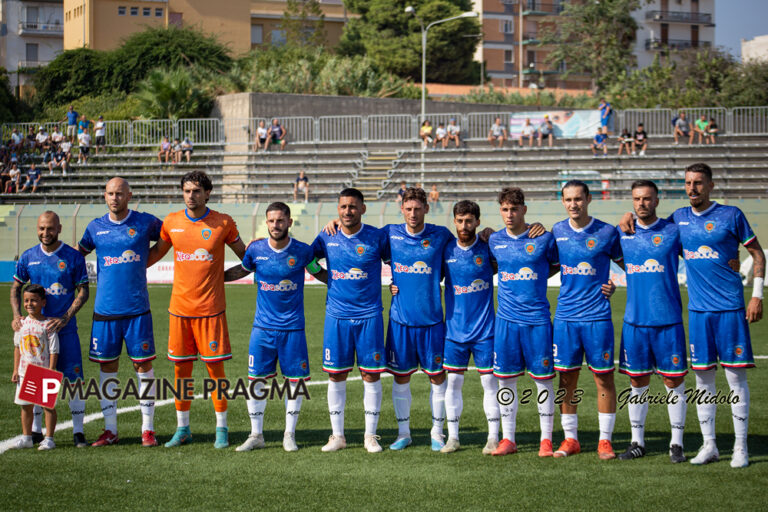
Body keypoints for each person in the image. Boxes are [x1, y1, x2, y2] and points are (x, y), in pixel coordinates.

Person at [619, 163, 765, 468]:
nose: (692, 188)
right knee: (703, 381)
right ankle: (709, 444)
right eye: (687, 183)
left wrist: (756, 294)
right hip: (698, 312)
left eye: (698, 183)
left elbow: (757, 254)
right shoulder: (677, 222)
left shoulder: (731, 215)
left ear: (710, 185)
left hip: (730, 309)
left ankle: (740, 447)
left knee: (735, 378)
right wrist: (628, 217)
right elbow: (649, 228)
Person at [147, 170, 246, 449]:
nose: (192, 196)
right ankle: (183, 428)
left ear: (208, 193)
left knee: (216, 371)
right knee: (181, 372)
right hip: (179, 310)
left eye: (197, 191)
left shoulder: (222, 223)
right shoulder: (172, 222)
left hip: (211, 311)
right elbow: (154, 255)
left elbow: (247, 257)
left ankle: (222, 429)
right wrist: (124, 263)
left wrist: (224, 277)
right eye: (187, 191)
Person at [223, 202, 326, 452]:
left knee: (295, 382)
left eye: (280, 220)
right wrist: (215, 276)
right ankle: (256, 434)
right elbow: (242, 270)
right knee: (256, 380)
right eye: (271, 221)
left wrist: (344, 284)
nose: (275, 225)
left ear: (289, 222)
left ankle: (289, 434)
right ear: (266, 223)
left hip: (293, 329)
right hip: (262, 328)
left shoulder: (302, 251)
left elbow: (318, 271)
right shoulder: (255, 250)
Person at [77, 178, 163, 447]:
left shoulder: (145, 222)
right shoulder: (95, 227)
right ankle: (110, 429)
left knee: (143, 366)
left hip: (137, 310)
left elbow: (168, 239)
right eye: (110, 194)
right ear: (105, 196)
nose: (114, 198)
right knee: (107, 367)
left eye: (120, 194)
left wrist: (147, 261)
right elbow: (78, 254)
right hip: (105, 311)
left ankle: (147, 430)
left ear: (129, 195)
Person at [371, 188, 455, 452]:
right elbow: (359, 237)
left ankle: (437, 432)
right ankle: (404, 433)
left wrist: (486, 233)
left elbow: (466, 245)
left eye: (418, 208)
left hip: (432, 322)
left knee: (438, 377)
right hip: (400, 322)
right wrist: (336, 223)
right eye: (408, 208)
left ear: (426, 209)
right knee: (400, 378)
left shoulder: (441, 236)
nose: (413, 213)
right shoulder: (389, 234)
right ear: (402, 209)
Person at [311, 188, 390, 452]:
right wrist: (325, 277)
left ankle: (370, 435)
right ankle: (338, 436)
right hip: (337, 316)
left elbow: (397, 261)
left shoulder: (377, 237)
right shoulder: (327, 235)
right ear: (338, 209)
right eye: (343, 207)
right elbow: (307, 260)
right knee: (336, 376)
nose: (347, 211)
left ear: (363, 209)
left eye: (353, 207)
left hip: (369, 316)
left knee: (371, 376)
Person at [615, 180, 688, 463]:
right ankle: (637, 441)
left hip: (668, 321)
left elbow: (697, 254)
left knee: (674, 381)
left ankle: (676, 443)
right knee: (637, 381)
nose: (641, 203)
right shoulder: (622, 233)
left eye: (647, 199)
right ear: (631, 202)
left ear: (657, 201)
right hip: (635, 322)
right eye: (636, 199)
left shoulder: (673, 231)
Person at [551, 180, 622, 460]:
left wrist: (615, 285)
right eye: (568, 199)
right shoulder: (556, 232)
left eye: (578, 199)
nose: (573, 205)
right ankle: (571, 439)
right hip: (566, 318)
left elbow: (632, 266)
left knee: (603, 378)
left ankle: (605, 441)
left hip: (597, 317)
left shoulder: (607, 232)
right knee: (566, 379)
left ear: (589, 199)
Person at [489, 187, 560, 457]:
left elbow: (557, 264)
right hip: (506, 321)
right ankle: (508, 438)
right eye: (505, 209)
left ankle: (546, 439)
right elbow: (492, 264)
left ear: (524, 210)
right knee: (505, 381)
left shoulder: (543, 239)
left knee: (543, 381)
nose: (509, 214)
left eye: (514, 209)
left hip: (537, 320)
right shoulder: (494, 240)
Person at [11, 211, 90, 447]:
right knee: (35, 377)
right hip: (35, 334)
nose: (46, 233)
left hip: (65, 332)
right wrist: (17, 316)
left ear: (60, 228)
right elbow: (16, 287)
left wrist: (65, 318)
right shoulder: (28, 257)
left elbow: (84, 291)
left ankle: (78, 431)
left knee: (74, 380)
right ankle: (35, 431)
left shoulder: (73, 257)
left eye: (50, 228)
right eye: (42, 228)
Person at [438, 200, 499, 453]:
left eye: (469, 221)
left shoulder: (489, 247)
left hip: (485, 332)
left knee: (490, 385)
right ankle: (453, 437)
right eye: (460, 220)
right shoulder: (446, 250)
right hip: (454, 332)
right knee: (452, 384)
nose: (464, 225)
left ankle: (493, 437)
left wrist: (494, 235)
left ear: (478, 221)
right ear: (454, 221)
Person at [10, 284, 59, 451]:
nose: (29, 304)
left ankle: (49, 439)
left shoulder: (49, 325)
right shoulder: (21, 324)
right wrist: (16, 370)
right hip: (25, 372)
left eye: (34, 300)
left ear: (43, 302)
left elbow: (54, 350)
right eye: (26, 301)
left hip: (43, 372)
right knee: (26, 406)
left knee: (48, 406)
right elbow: (17, 347)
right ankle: (27, 437)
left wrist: (51, 371)